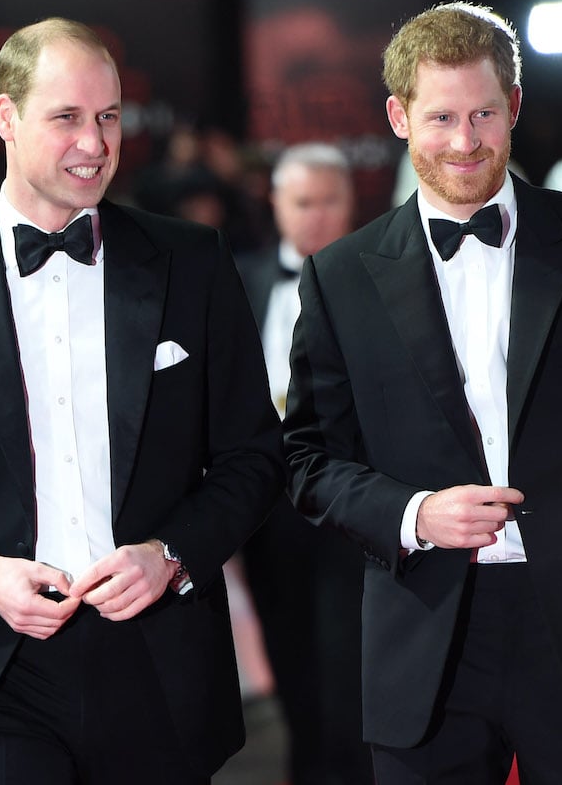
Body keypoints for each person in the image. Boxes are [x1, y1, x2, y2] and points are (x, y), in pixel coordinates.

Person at [283, 2, 562, 785]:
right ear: (397, 117)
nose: (463, 142)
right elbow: (305, 461)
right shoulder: (341, 275)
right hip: (424, 639)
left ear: (515, 108)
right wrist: (412, 513)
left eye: (482, 114)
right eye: (440, 118)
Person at [0, 18, 283, 783]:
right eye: (66, 117)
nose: (95, 144)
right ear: (7, 118)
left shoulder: (190, 262)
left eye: (108, 118)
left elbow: (253, 457)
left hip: (156, 659)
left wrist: (169, 555)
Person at [238, 143, 373, 784]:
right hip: (268, 512)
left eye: (330, 200)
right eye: (303, 202)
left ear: (352, 202)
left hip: (358, 508)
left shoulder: (385, 276)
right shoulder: (240, 279)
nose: (317, 215)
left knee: (351, 667)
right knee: (290, 663)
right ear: (275, 205)